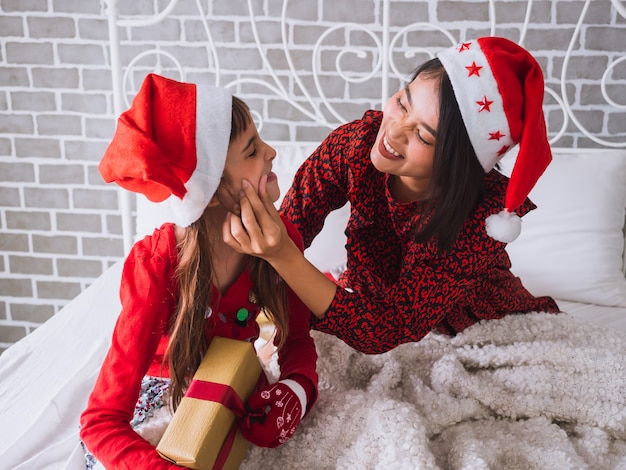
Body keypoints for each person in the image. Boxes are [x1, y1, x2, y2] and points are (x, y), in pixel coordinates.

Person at [223, 36, 560, 355]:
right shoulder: (358, 143)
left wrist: (284, 256)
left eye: (424, 137)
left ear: (458, 163)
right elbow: (293, 222)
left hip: (468, 326)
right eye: (402, 103)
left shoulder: (478, 221)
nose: (394, 131)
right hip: (371, 300)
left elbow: (389, 327)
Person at [79, 73, 318, 468]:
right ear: (209, 191)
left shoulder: (279, 237)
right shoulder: (156, 266)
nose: (272, 152)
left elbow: (298, 341)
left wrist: (296, 388)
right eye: (253, 149)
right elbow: (101, 422)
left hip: (233, 382)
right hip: (165, 393)